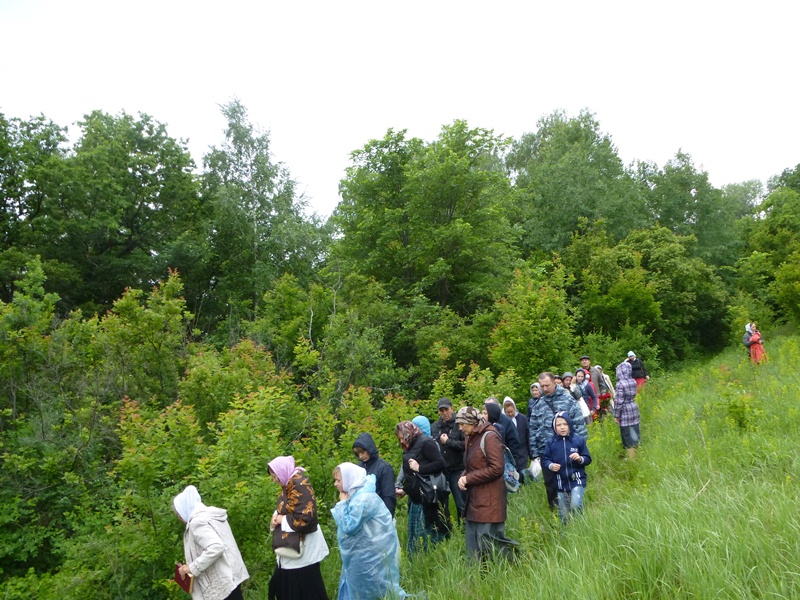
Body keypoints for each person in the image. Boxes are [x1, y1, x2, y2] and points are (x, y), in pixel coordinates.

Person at [332, 463, 406, 600]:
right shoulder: (357, 494)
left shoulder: (363, 499)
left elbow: (349, 526)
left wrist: (342, 504)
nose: (335, 484)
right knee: (361, 585)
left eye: (338, 480)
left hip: (369, 554)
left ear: (349, 479)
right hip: (362, 552)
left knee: (369, 587)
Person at [455, 406, 518, 561]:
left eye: (462, 424)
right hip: (474, 499)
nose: (460, 428)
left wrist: (468, 478)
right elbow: (472, 465)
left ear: (472, 421)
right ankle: (476, 574)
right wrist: (463, 477)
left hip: (490, 499)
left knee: (491, 543)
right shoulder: (470, 438)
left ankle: (518, 562)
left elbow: (497, 468)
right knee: (473, 546)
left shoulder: (490, 437)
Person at [267, 456, 330, 600]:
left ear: (282, 472)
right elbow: (286, 507)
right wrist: (275, 517)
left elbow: (306, 518)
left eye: (275, 476)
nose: (274, 480)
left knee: (305, 591)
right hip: (293, 550)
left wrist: (282, 520)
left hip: (304, 552)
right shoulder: (288, 485)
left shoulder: (299, 485)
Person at [173, 485, 249, 600]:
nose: (179, 517)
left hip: (220, 584)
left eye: (179, 513)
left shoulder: (197, 522)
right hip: (231, 577)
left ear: (185, 509)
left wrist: (192, 568)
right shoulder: (211, 516)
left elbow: (216, 547)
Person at [528, 372, 588, 509]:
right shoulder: (538, 405)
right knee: (550, 485)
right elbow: (533, 429)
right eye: (542, 386)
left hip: (567, 450)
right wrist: (535, 454)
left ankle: (574, 510)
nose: (545, 389)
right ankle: (556, 513)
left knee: (570, 481)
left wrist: (580, 449)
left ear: (554, 383)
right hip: (547, 453)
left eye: (547, 385)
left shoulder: (568, 400)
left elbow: (579, 424)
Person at [395, 419, 451, 544]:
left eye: (403, 437)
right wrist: (404, 490)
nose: (402, 441)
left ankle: (437, 552)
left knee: (432, 533)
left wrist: (420, 468)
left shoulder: (427, 443)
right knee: (417, 539)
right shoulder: (409, 447)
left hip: (429, 497)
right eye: (399, 439)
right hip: (416, 498)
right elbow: (411, 476)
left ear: (409, 433)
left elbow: (441, 463)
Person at [542, 412, 592, 525]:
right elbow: (546, 459)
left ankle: (581, 527)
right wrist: (551, 466)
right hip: (560, 482)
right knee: (563, 512)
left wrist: (580, 459)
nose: (562, 427)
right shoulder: (551, 443)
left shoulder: (577, 440)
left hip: (577, 479)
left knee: (575, 505)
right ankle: (564, 532)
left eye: (565, 424)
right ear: (554, 427)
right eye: (559, 425)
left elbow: (588, 458)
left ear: (569, 424)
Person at [430, 397, 466, 521]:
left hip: (457, 469)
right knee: (441, 503)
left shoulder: (460, 424)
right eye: (442, 410)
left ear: (452, 409)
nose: (445, 413)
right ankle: (445, 527)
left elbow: (465, 445)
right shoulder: (435, 427)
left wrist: (448, 442)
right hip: (442, 471)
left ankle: (464, 527)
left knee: (461, 502)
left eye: (446, 409)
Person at [352, 432, 396, 517]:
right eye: (358, 453)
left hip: (380, 514)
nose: (360, 456)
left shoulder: (384, 467)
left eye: (362, 452)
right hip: (363, 514)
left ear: (369, 449)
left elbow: (389, 496)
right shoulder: (359, 467)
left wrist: (388, 518)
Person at [484, 398, 527, 480]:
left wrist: (512, 461)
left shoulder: (506, 421)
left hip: (505, 461)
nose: (486, 411)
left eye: (489, 408)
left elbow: (514, 442)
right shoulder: (483, 422)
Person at [615, 359, 642, 459]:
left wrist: (616, 415)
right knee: (635, 431)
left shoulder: (620, 384)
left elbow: (619, 401)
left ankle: (632, 460)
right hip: (633, 407)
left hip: (625, 410)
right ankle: (637, 456)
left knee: (627, 436)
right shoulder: (633, 381)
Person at [502, 396, 530, 482]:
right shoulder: (502, 421)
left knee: (523, 472)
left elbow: (527, 435)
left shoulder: (523, 419)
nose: (510, 414)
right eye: (508, 412)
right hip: (510, 451)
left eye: (512, 412)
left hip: (522, 450)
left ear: (515, 409)